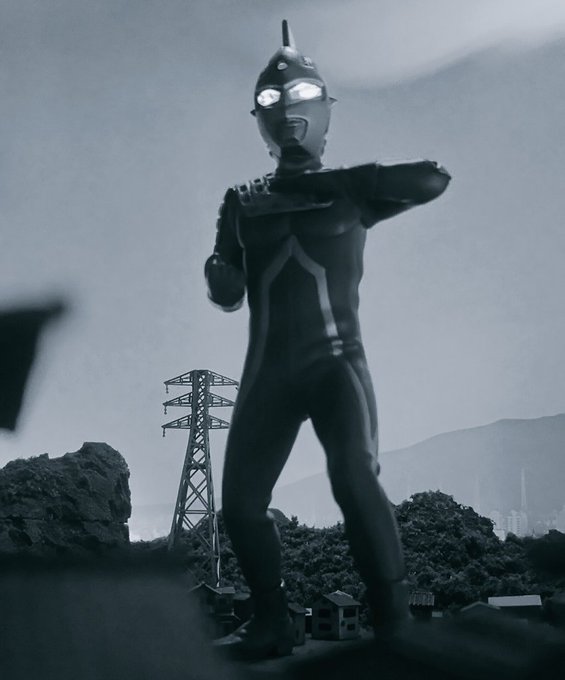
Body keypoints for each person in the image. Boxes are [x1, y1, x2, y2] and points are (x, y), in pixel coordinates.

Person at [206, 20, 450, 660]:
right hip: (269, 370)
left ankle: (394, 620)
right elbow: (226, 288)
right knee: (240, 504)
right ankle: (271, 621)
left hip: (336, 362)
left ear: (323, 110)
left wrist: (337, 185)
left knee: (353, 476)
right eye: (272, 100)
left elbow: (432, 178)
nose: (287, 112)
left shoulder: (348, 190)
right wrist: (221, 272)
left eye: (301, 97)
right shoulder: (242, 202)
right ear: (259, 118)